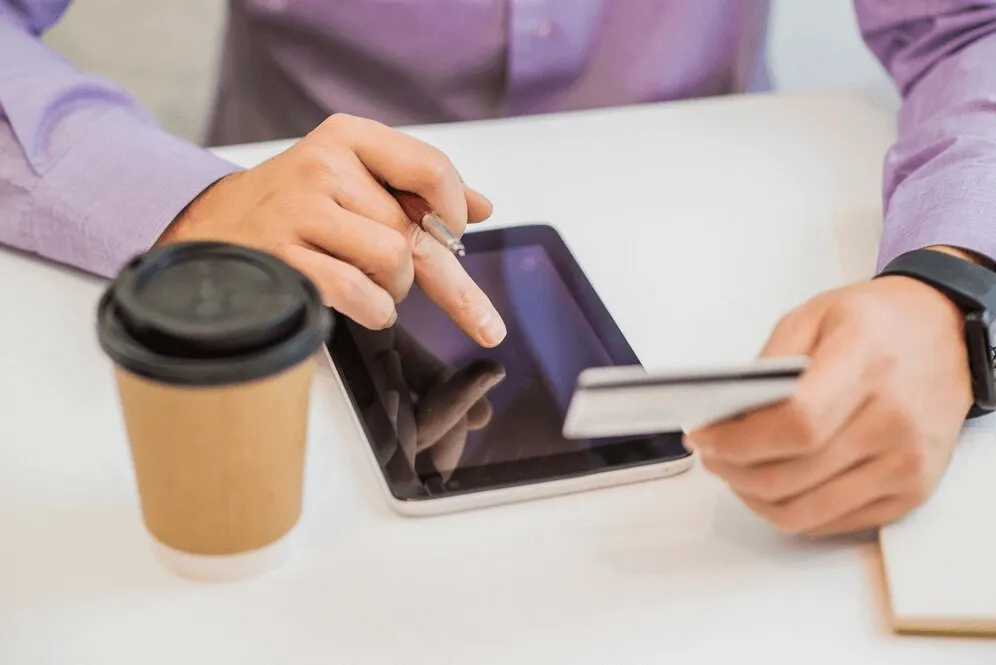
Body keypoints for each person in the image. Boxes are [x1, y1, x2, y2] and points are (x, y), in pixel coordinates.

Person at [2, 1, 996, 536]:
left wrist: (954, 281)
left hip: (727, 256)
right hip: (283, 273)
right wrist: (190, 202)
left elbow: (971, 24)